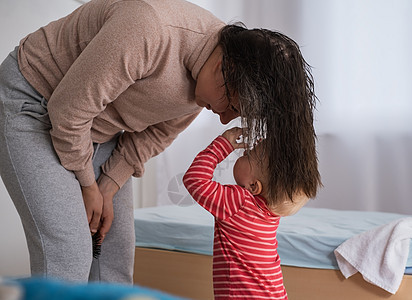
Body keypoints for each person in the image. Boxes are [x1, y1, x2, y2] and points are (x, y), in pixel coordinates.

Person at [0, 0, 321, 284]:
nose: (224, 119)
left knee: (115, 253)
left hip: (94, 127)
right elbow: (67, 111)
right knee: (69, 252)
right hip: (35, 103)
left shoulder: (208, 80)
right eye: (233, 108)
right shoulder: (149, 29)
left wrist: (107, 187)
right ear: (228, 67)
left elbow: (153, 136)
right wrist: (88, 185)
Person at [183, 127, 309, 299]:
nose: (246, 151)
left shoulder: (239, 202)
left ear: (253, 186)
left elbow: (195, 179)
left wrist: (223, 145)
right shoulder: (271, 215)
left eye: (248, 155)